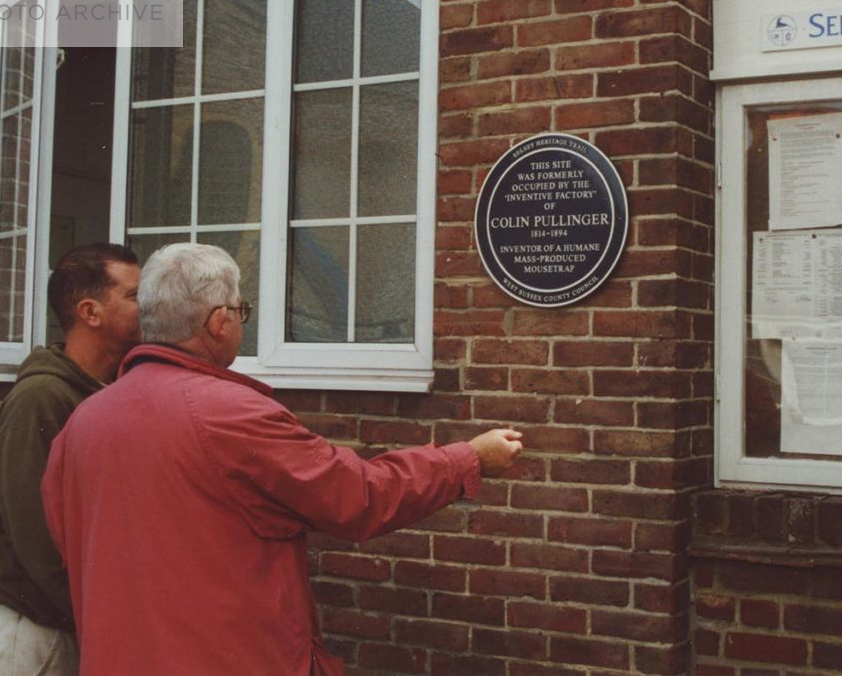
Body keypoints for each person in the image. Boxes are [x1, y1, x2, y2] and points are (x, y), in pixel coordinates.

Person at [41, 243, 523, 676]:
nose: (240, 322)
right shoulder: (231, 414)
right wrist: (466, 460)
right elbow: (359, 496)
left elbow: (67, 540)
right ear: (217, 322)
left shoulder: (82, 423)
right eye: (240, 309)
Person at [0, 243, 141, 676]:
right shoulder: (41, 398)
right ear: (91, 312)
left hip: (67, 627)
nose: (150, 305)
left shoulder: (105, 392)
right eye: (135, 296)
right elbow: (36, 537)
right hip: (32, 641)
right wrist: (101, 619)